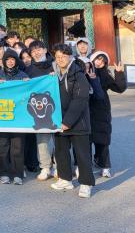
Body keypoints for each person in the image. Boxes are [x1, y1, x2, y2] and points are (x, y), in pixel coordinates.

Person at [49, 43, 95, 199]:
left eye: (63, 56)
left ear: (70, 56)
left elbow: (80, 100)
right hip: (58, 121)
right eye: (58, 57)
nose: (60, 59)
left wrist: (67, 122)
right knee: (61, 152)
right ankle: (65, 179)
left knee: (82, 155)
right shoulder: (54, 75)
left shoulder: (78, 74)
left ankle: (86, 184)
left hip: (77, 122)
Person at [89, 51, 127, 178]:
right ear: (92, 60)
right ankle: (85, 164)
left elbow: (119, 88)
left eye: (103, 61)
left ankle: (104, 165)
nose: (99, 62)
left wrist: (119, 73)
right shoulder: (85, 71)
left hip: (101, 108)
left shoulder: (106, 74)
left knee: (103, 138)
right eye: (97, 59)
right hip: (87, 106)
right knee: (86, 138)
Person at [0, 49, 30, 185]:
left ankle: (18, 173)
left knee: (18, 146)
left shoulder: (23, 75)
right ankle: (3, 173)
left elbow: (29, 93)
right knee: (2, 146)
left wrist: (29, 83)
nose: (10, 62)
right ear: (4, 61)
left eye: (13, 59)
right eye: (7, 59)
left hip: (19, 116)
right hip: (2, 115)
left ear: (16, 61)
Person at [26, 40, 56, 181]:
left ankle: (58, 165)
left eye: (39, 49)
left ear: (45, 50)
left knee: (59, 139)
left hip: (55, 107)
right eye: (33, 51)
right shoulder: (29, 69)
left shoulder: (55, 65)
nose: (36, 53)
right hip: (39, 110)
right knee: (42, 139)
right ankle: (45, 166)